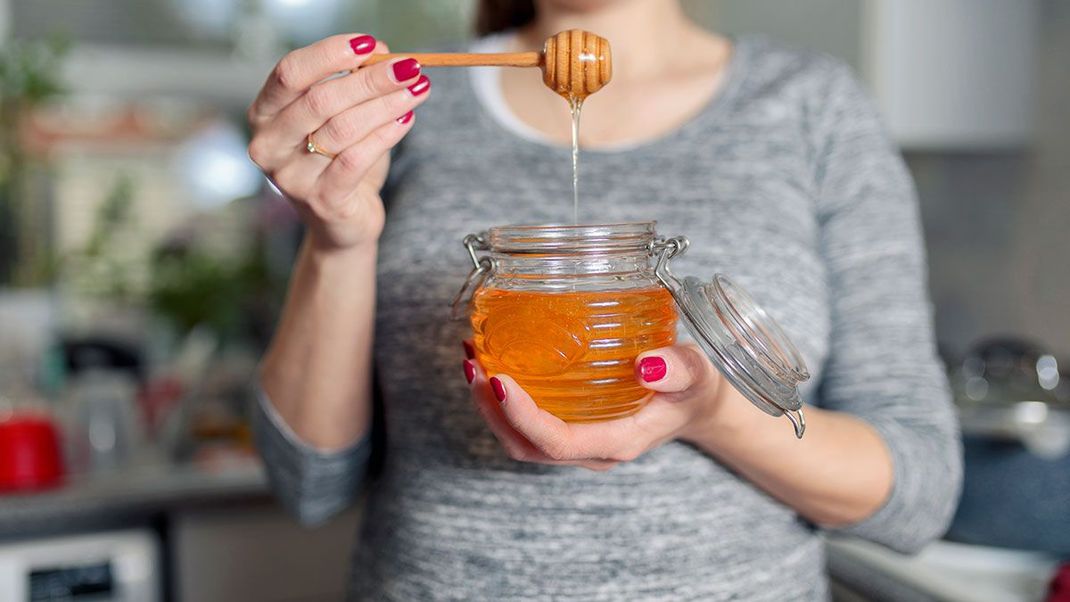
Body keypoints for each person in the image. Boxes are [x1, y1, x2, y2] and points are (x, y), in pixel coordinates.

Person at [246, 0, 962, 598]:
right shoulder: (399, 107)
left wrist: (713, 415)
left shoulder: (813, 106)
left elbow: (919, 491)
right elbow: (309, 486)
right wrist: (338, 242)